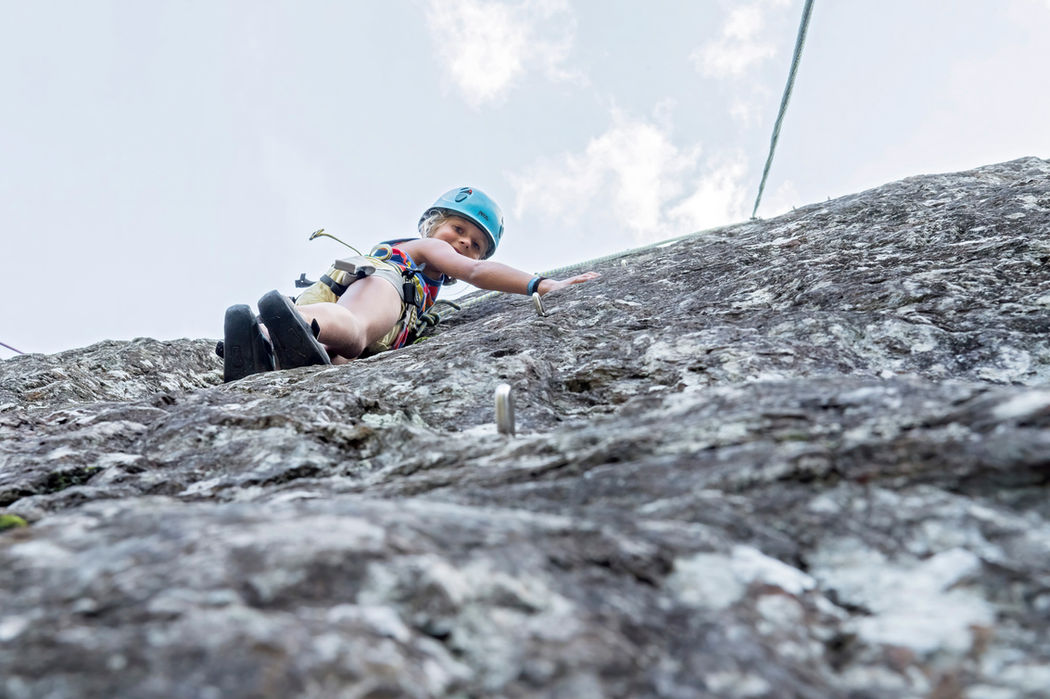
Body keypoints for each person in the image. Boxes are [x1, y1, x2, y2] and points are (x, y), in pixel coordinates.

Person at [221, 186, 599, 382]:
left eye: (476, 245)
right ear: (434, 226)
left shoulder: (427, 294)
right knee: (353, 330)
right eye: (459, 228)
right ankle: (285, 325)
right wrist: (542, 285)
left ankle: (265, 351)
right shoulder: (425, 250)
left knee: (336, 359)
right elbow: (478, 274)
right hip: (383, 285)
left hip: (370, 315)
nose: (465, 242)